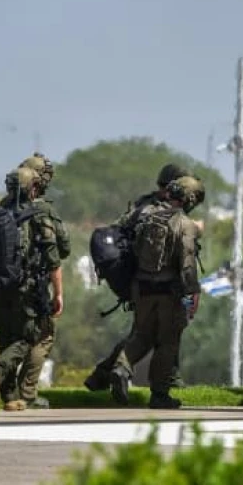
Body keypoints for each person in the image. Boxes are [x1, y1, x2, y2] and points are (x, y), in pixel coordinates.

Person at [83, 163, 192, 392]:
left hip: (139, 281)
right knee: (154, 333)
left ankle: (102, 375)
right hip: (158, 283)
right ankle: (123, 373)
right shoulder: (166, 211)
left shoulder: (142, 206)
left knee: (144, 333)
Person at [0, 153, 70, 411]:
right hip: (27, 289)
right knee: (29, 338)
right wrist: (58, 294)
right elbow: (57, 257)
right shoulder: (40, 212)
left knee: (7, 337)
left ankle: (9, 396)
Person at [106, 175, 205, 409]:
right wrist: (193, 292)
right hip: (168, 293)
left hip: (141, 288)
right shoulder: (185, 224)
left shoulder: (145, 213)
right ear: (189, 199)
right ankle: (160, 394)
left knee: (142, 335)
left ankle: (121, 367)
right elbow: (187, 264)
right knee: (167, 342)